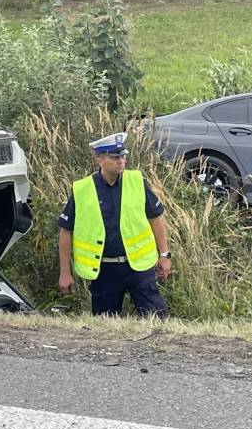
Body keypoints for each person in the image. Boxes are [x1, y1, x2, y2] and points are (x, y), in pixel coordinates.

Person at [57, 132, 171, 317]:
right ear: (99, 160)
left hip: (139, 267)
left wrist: (164, 255)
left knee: (157, 318)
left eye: (123, 156)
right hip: (104, 270)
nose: (121, 161)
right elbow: (66, 232)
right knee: (105, 324)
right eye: (115, 157)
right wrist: (65, 273)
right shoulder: (82, 190)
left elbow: (156, 219)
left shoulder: (137, 182)